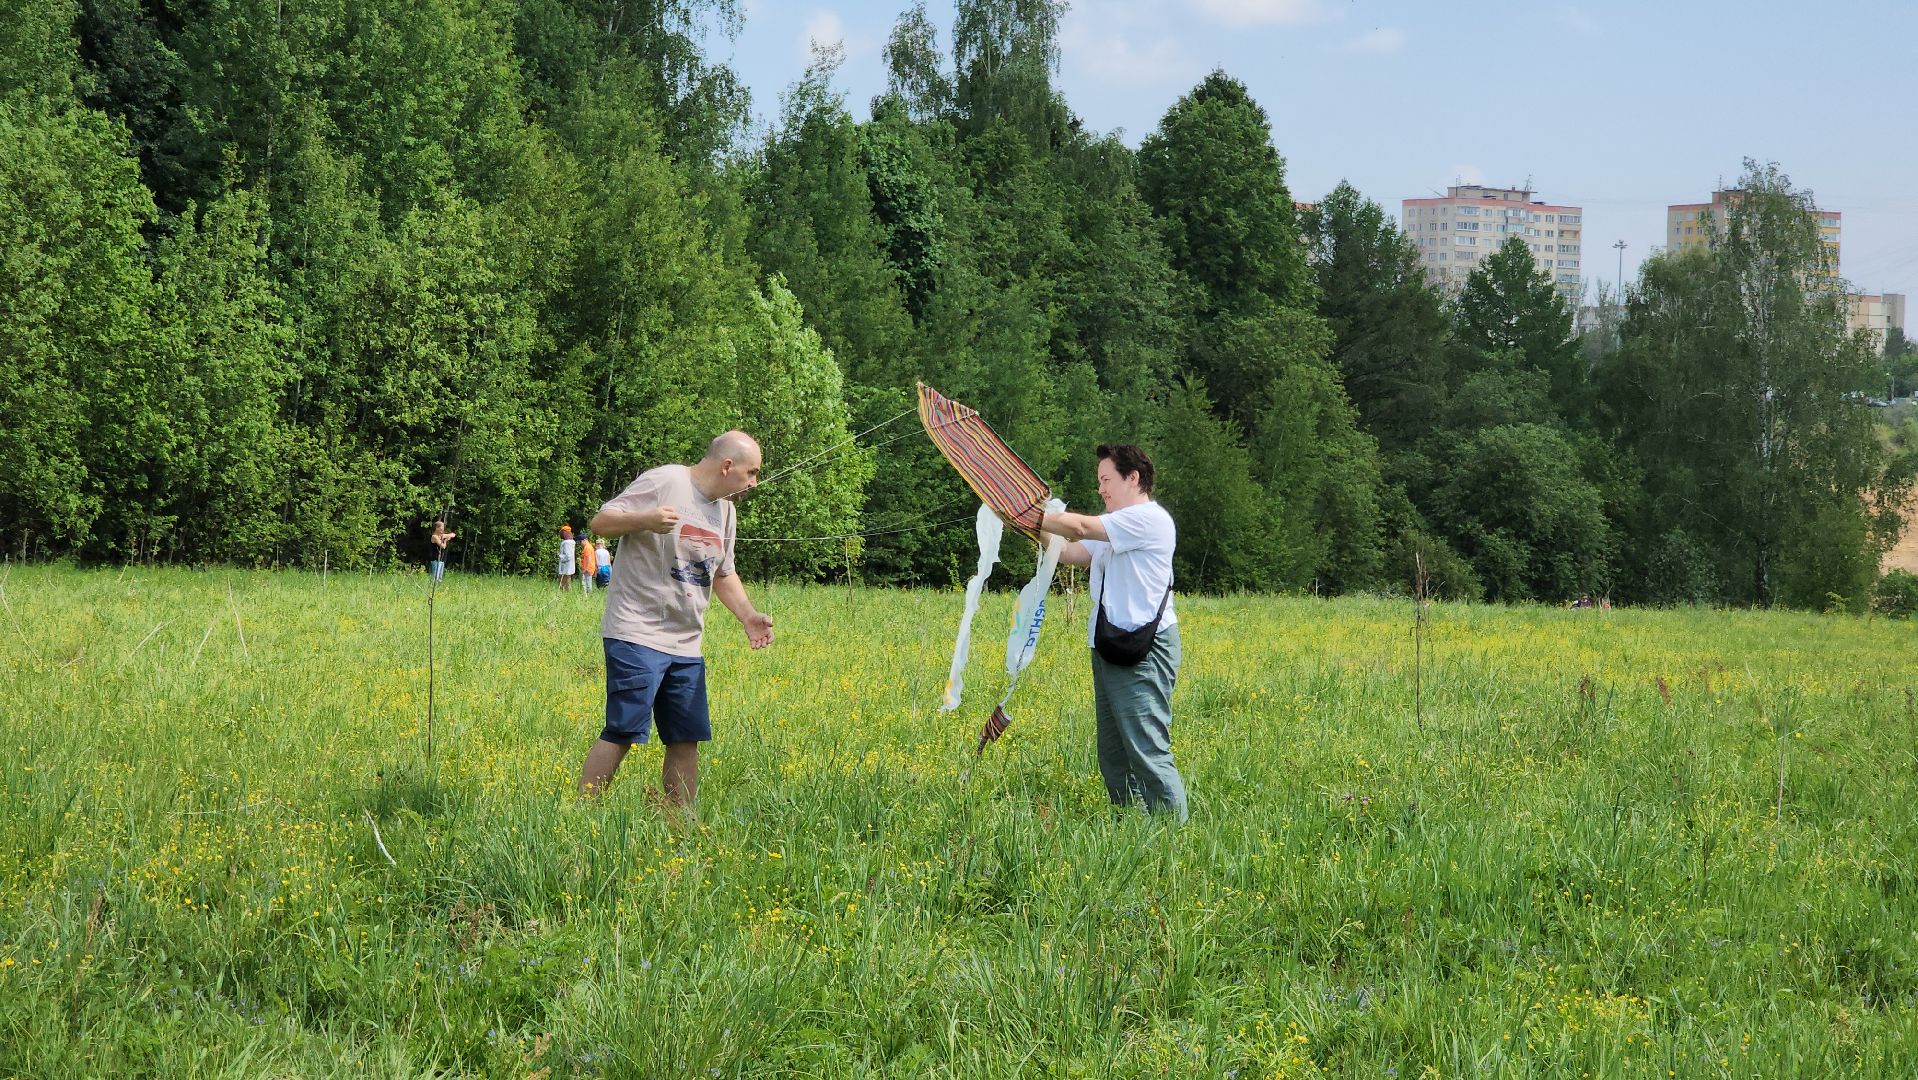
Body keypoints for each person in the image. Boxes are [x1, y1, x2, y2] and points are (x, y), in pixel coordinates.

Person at [578, 431, 775, 811]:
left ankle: (679, 825)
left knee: (686, 737)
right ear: (727, 465)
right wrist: (644, 519)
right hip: (636, 630)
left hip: (686, 643)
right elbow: (601, 523)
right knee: (623, 730)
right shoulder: (666, 480)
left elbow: (723, 574)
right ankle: (581, 815)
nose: (754, 483)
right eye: (751, 473)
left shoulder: (726, 511)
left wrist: (748, 616)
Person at [1035, 444, 1186, 822]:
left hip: (1143, 650)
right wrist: (1029, 525)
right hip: (1108, 644)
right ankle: (1129, 824)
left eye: (1106, 480)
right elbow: (1069, 553)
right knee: (1113, 751)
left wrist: (1031, 513)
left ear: (1132, 478)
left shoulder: (1147, 519)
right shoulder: (1115, 525)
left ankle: (1174, 836)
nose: (1101, 489)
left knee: (1146, 747)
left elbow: (1080, 526)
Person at [557, 525, 576, 591]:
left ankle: (566, 596)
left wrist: (559, 556)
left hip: (565, 567)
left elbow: (568, 556)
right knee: (566, 583)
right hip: (568, 567)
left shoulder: (567, 543)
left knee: (565, 584)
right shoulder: (571, 542)